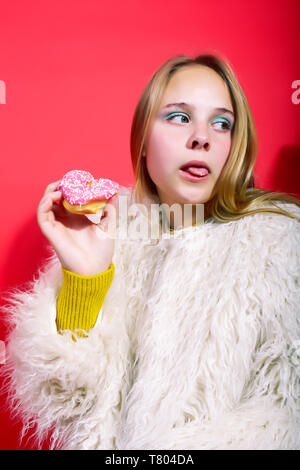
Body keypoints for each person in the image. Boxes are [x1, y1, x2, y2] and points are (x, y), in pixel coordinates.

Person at [1, 53, 300, 450]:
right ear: (142, 142)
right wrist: (85, 279)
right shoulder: (113, 235)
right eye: (179, 117)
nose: (202, 137)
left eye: (221, 123)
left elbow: (283, 418)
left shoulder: (279, 247)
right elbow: (68, 404)